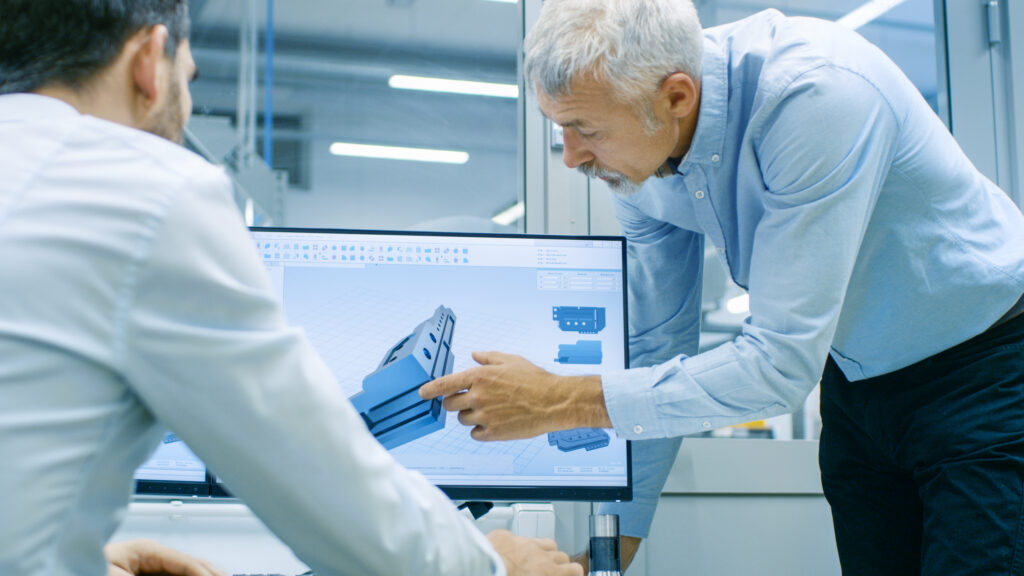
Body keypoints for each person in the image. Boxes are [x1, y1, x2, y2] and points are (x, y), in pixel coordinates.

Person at [419, 0, 1024, 573]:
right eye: (560, 128)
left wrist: (556, 399)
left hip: (988, 371)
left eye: (586, 130)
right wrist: (614, 553)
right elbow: (658, 348)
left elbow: (780, 364)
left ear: (675, 96)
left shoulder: (816, 94)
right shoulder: (638, 161)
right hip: (858, 384)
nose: (572, 158)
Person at [0, 2, 583, 575]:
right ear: (149, 61)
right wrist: (495, 566)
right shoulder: (145, 192)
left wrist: (88, 553)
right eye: (189, 78)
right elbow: (333, 502)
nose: (188, 107)